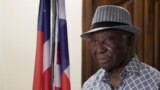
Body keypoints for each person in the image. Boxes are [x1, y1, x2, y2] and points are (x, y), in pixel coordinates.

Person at [81, 5, 160, 90]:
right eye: (95, 41)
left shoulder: (155, 82)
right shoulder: (89, 86)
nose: (100, 49)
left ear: (129, 40)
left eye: (108, 39)